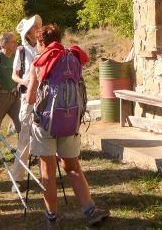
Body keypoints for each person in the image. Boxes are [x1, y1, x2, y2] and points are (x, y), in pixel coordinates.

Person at [27, 25, 109, 229]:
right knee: (73, 167)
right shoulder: (73, 57)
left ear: (41, 43)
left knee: (47, 171)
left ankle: (51, 218)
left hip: (44, 123)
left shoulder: (39, 61)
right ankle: (90, 211)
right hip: (70, 120)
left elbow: (30, 98)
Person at [9, 15, 42, 190]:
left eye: (37, 26)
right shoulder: (21, 51)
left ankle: (46, 176)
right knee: (24, 138)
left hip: (44, 97)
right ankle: (17, 179)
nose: (37, 29)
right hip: (27, 98)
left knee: (45, 135)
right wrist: (25, 81)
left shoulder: (43, 47)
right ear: (28, 34)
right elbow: (14, 75)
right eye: (33, 27)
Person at [0, 32, 21, 135]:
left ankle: (22, 146)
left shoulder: (16, 56)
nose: (16, 44)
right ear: (5, 44)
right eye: (13, 42)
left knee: (22, 126)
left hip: (14, 97)